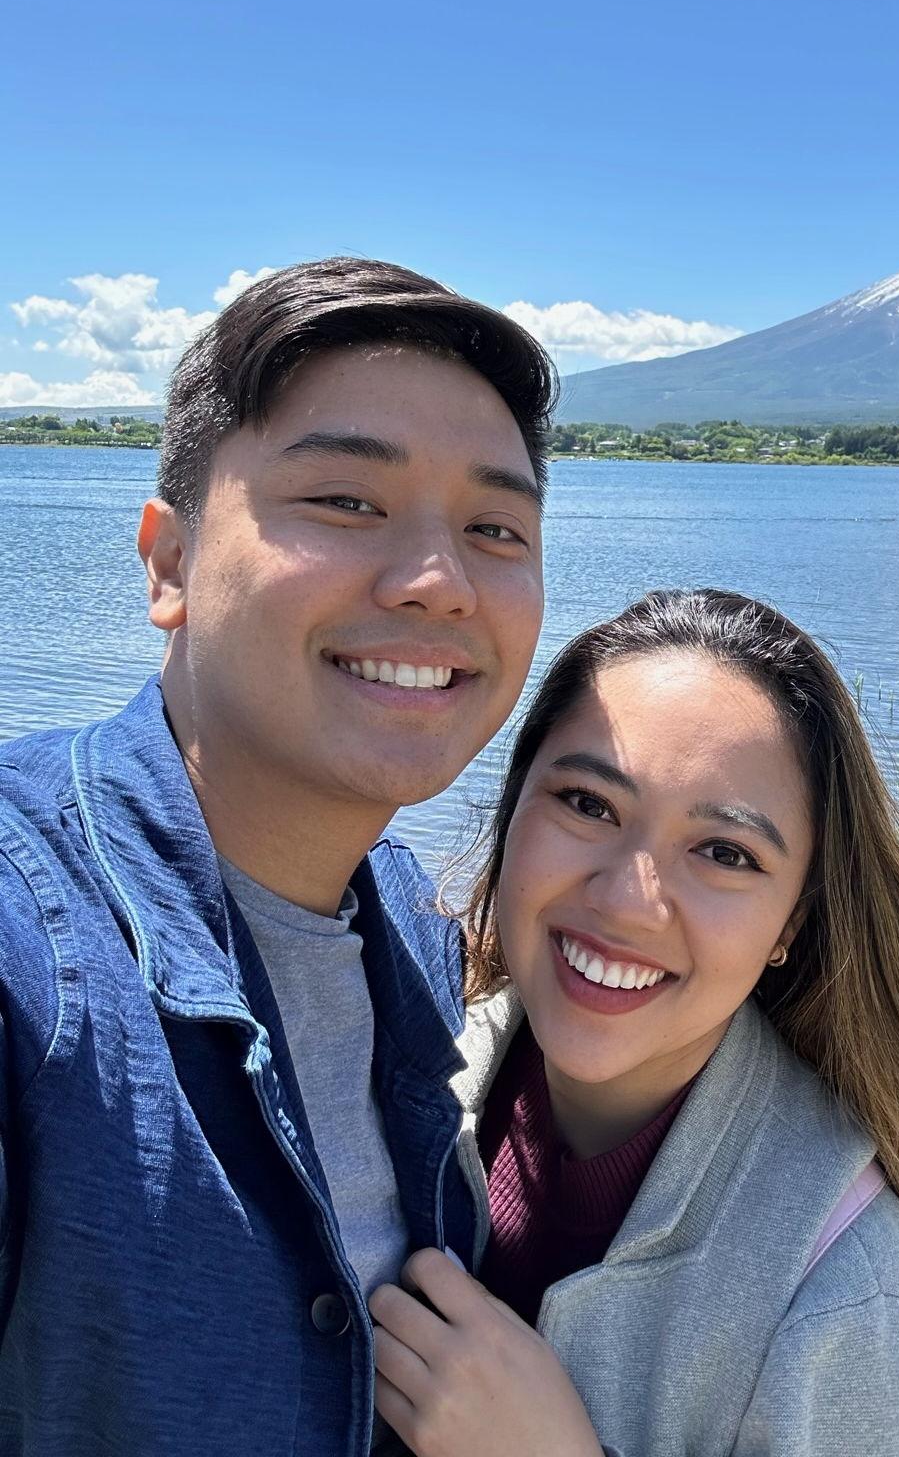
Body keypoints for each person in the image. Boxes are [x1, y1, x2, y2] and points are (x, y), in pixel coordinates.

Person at [0, 257, 556, 1455]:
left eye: (494, 527)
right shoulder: (23, 945)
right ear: (167, 565)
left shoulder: (404, 919)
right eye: (347, 503)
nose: (438, 582)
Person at [366, 588, 899, 1457]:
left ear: (791, 922)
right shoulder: (410, 1067)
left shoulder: (847, 1295)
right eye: (589, 805)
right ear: (514, 808)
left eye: (724, 853)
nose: (629, 903)